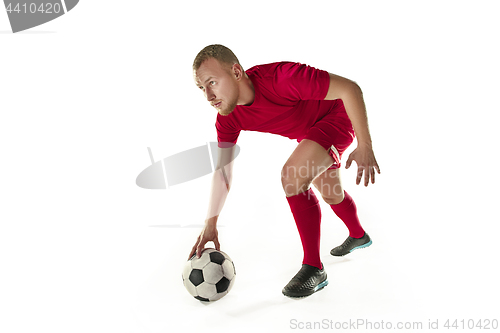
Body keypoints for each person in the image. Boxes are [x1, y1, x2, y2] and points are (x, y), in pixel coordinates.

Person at [188, 44, 380, 298]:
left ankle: (314, 267)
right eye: (202, 88)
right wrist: (210, 223)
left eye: (212, 82)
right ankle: (358, 235)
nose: (208, 96)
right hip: (312, 133)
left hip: (338, 116)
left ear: (236, 72)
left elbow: (350, 89)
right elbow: (223, 171)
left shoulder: (282, 78)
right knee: (332, 194)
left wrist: (364, 144)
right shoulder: (228, 117)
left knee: (292, 176)